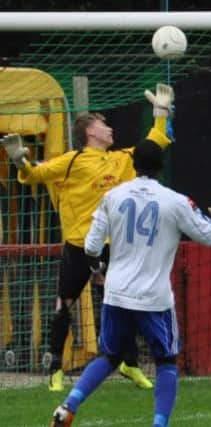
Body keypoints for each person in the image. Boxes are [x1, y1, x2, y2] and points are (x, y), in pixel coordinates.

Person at [0, 83, 175, 391]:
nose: (109, 128)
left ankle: (130, 364)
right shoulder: (72, 161)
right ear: (90, 132)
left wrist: (161, 113)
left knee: (127, 305)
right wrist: (20, 162)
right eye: (103, 124)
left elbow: (155, 143)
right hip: (79, 247)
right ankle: (55, 368)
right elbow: (34, 176)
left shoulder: (122, 159)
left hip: (115, 248)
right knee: (64, 306)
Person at [49, 140, 211, 427]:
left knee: (109, 355)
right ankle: (159, 424)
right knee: (166, 361)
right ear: (161, 167)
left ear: (133, 166)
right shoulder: (175, 201)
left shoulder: (113, 196)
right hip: (154, 297)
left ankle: (67, 407)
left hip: (117, 293)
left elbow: (92, 244)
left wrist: (97, 265)